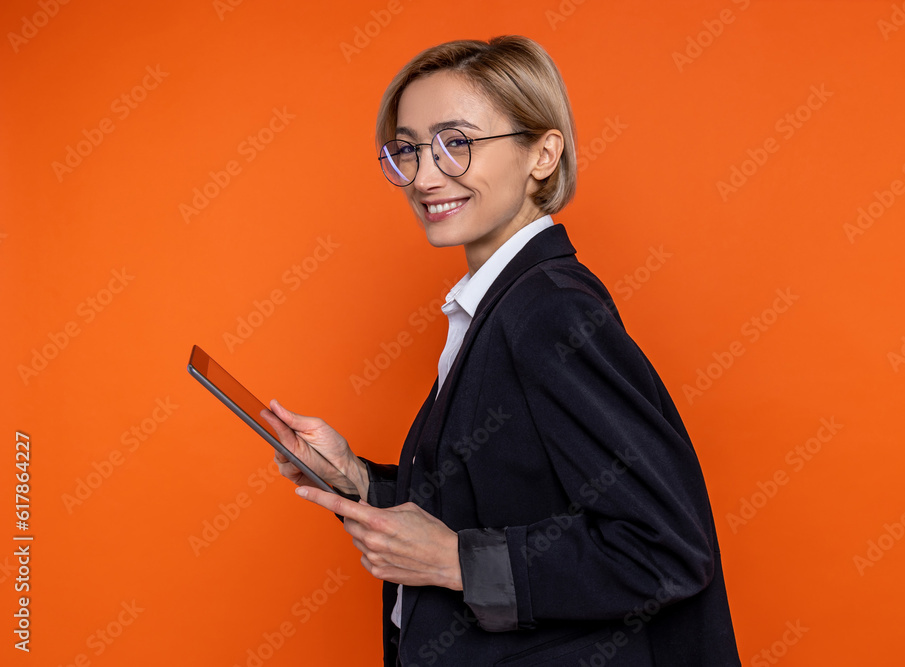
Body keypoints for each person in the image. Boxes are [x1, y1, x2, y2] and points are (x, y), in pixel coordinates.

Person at [260, 35, 741, 666]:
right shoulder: (499, 305)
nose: (424, 176)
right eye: (406, 149)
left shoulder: (547, 312)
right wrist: (355, 480)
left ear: (543, 153)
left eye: (456, 143)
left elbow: (666, 546)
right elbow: (489, 502)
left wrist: (457, 564)